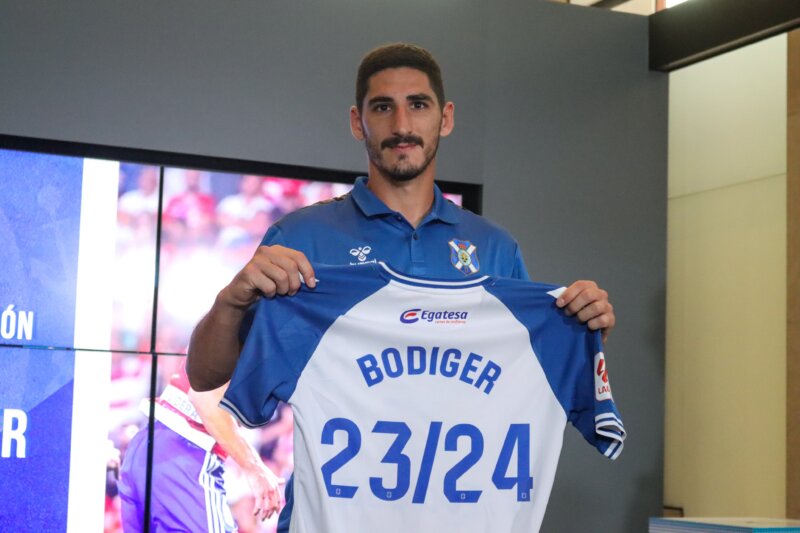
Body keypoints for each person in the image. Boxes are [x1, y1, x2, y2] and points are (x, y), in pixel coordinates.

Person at [186, 43, 615, 530]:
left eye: (418, 104)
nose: (402, 125)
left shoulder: (494, 247)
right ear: (357, 122)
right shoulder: (302, 238)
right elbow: (204, 376)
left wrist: (583, 326)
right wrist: (230, 302)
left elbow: (525, 373)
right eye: (382, 107)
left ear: (445, 118)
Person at [117, 362, 284, 532]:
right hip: (185, 452)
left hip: (151, 441)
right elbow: (203, 399)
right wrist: (256, 470)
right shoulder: (257, 339)